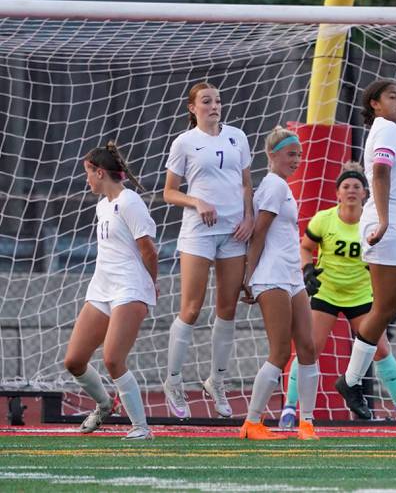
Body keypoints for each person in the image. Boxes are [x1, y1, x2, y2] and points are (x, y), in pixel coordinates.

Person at [278, 162, 396, 429]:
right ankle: (289, 408)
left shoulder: (372, 221)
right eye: (346, 186)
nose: (352, 190)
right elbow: (305, 247)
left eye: (357, 186)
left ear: (366, 193)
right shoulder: (324, 219)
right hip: (327, 293)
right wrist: (307, 269)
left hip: (361, 296)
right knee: (309, 349)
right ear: (338, 194)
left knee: (381, 349)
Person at [334, 79, 396, 422]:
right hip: (386, 224)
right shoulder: (384, 130)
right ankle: (350, 382)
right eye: (393, 96)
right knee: (386, 305)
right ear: (375, 104)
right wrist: (384, 220)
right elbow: (378, 172)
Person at [162, 81, 254, 419]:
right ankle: (173, 381)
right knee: (191, 307)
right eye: (206, 101)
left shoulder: (237, 137)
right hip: (199, 233)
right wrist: (196, 200)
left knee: (228, 308)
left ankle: (216, 380)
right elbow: (169, 192)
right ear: (192, 107)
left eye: (217, 100)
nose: (214, 106)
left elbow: (246, 183)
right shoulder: (185, 142)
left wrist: (249, 218)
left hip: (233, 232)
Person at [63, 142, 158, 440]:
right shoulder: (102, 205)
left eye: (89, 174)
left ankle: (141, 428)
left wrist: (149, 285)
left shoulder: (130, 202)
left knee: (113, 359)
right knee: (74, 360)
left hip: (129, 287)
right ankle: (105, 404)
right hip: (102, 287)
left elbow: (149, 251)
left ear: (101, 172)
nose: (87, 180)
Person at [239, 126, 320, 441]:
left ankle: (307, 423)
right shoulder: (273, 185)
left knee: (308, 347)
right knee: (280, 350)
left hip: (291, 276)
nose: (297, 159)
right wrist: (248, 278)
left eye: (299, 154)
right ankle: (252, 422)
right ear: (272, 155)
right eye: (290, 154)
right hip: (271, 276)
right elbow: (258, 234)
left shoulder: (282, 186)